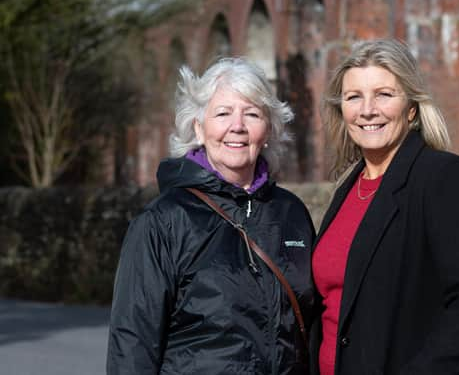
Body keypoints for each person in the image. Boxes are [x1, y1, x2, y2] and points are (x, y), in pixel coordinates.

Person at [107, 58, 316, 375]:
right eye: (222, 113)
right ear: (198, 128)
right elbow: (132, 344)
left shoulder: (291, 213)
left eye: (252, 114)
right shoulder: (163, 221)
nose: (238, 126)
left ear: (268, 129)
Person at [311, 39, 459, 375]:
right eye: (354, 97)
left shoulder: (443, 177)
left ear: (411, 107)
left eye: (384, 94)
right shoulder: (348, 187)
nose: (367, 110)